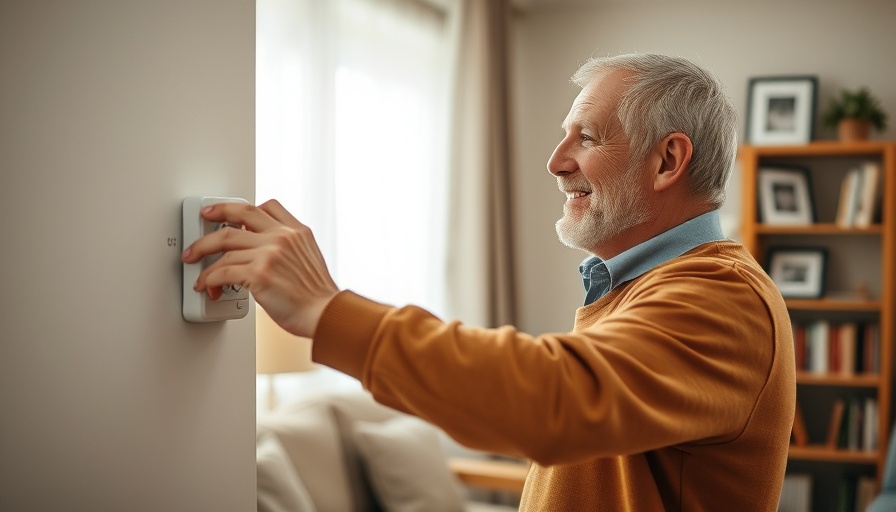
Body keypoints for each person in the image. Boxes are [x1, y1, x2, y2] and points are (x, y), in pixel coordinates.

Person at [182, 53, 795, 511]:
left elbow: (556, 398)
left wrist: (326, 309)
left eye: (587, 136)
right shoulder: (645, 286)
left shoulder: (724, 298)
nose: (556, 161)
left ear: (668, 161)